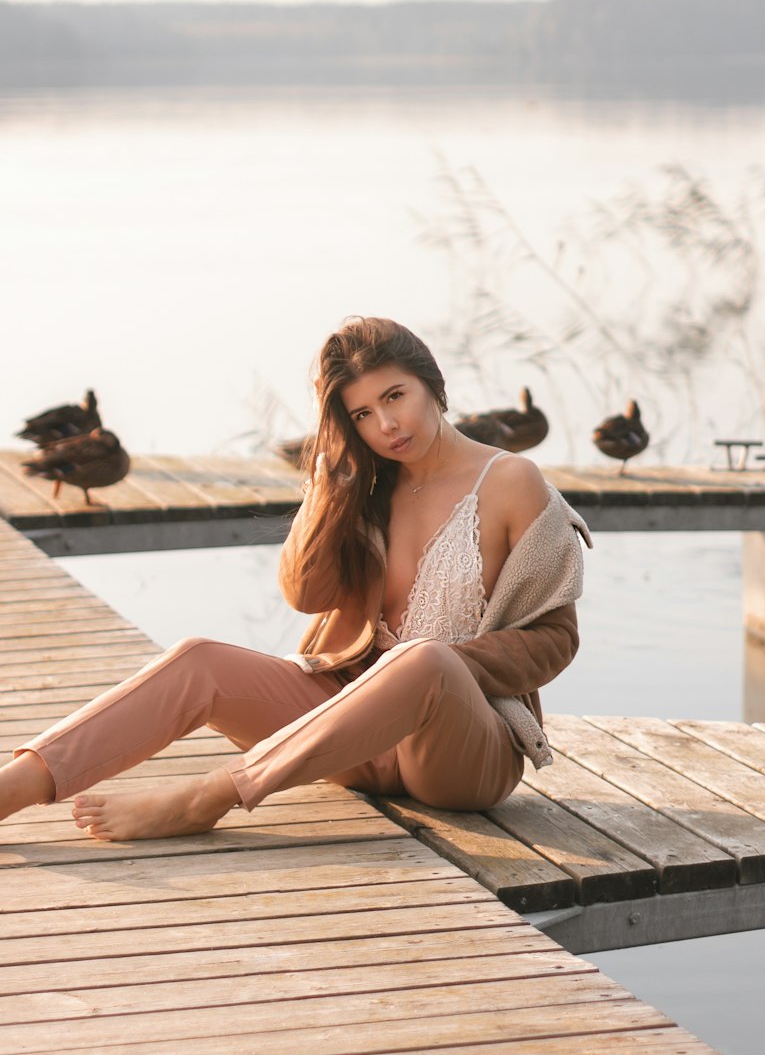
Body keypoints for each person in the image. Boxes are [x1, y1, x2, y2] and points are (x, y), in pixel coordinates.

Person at [0, 317, 590, 841]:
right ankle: (15, 786)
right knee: (198, 658)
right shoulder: (370, 481)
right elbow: (305, 593)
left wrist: (443, 666)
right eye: (361, 414)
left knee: (425, 661)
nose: (386, 425)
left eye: (395, 397)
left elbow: (554, 638)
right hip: (350, 736)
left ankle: (205, 799)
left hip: (459, 754)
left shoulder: (512, 480)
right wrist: (330, 486)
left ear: (433, 387)